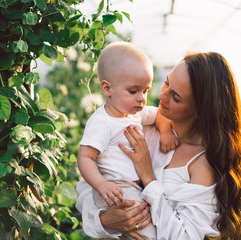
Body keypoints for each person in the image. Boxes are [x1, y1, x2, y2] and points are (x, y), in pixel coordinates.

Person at [76, 51, 241, 240]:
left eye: (176, 97)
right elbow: (85, 189)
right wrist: (104, 221)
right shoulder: (139, 128)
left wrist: (148, 178)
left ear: (201, 110)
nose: (161, 95)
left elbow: (186, 237)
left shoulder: (202, 165)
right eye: (167, 82)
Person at [77, 42, 179, 240]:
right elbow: (85, 158)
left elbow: (160, 114)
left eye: (146, 90)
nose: (141, 99)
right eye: (133, 91)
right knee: (146, 231)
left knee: (144, 224)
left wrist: (166, 132)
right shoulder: (102, 122)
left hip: (134, 186)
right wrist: (101, 185)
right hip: (115, 187)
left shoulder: (134, 113)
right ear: (107, 88)